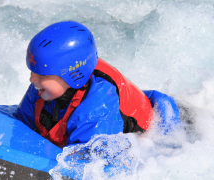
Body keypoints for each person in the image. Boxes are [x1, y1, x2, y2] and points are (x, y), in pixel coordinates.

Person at [14, 21, 154, 148]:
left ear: (71, 75)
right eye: (33, 71)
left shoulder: (96, 111)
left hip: (152, 131)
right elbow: (22, 122)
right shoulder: (44, 86)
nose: (32, 79)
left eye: (42, 74)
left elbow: (92, 165)